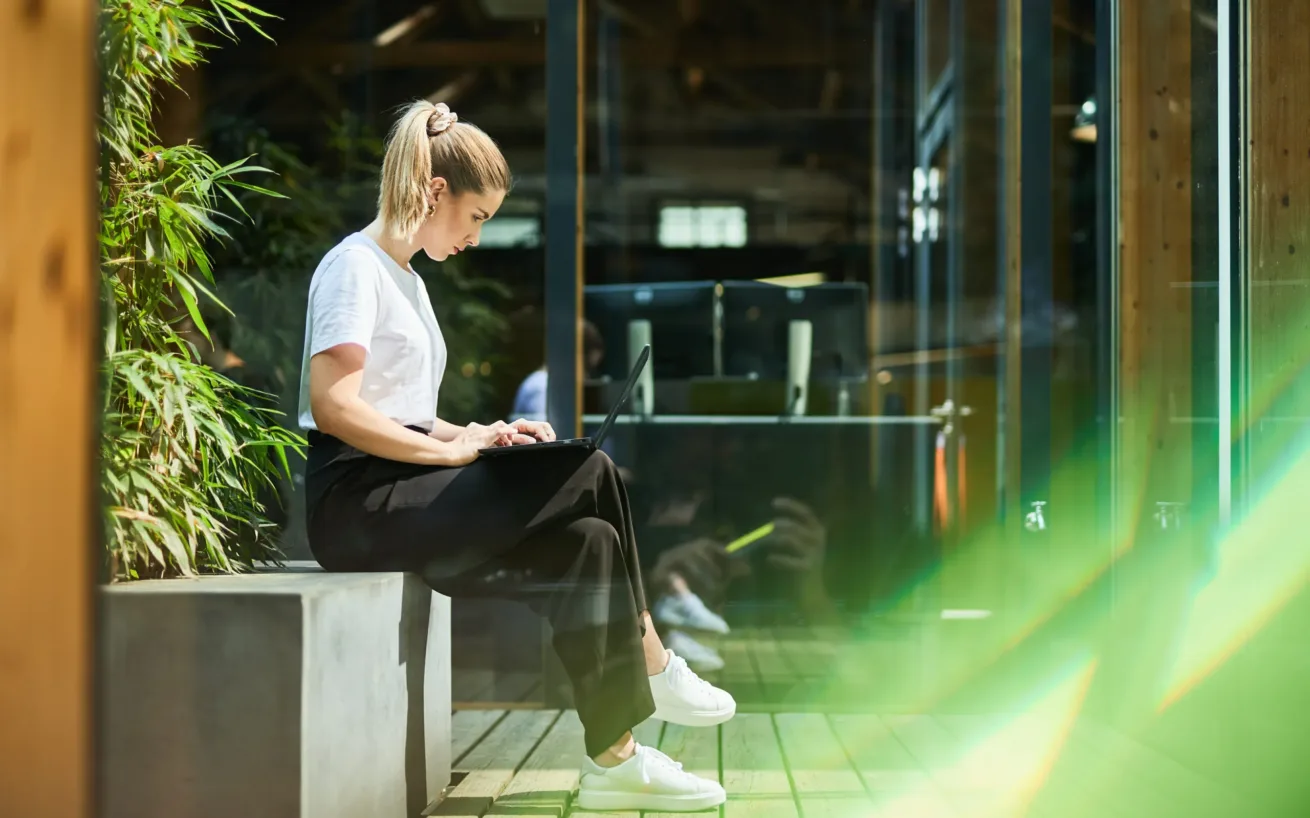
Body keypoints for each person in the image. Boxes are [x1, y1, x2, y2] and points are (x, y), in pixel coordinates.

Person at [297, 100, 732, 813]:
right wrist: (449, 457)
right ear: (436, 192)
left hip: (403, 490)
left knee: (588, 543)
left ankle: (614, 760)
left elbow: (397, 409)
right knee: (588, 467)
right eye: (477, 217)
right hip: (356, 506)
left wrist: (472, 431)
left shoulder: (406, 279)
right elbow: (336, 408)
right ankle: (652, 656)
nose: (477, 236)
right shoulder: (355, 268)